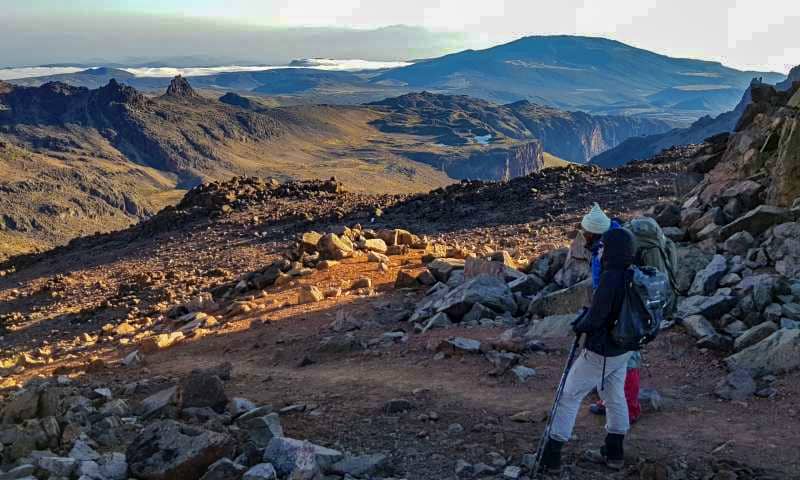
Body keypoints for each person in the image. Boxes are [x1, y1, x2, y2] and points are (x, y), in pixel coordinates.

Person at [539, 227, 637, 474]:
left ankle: (551, 455)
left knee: (569, 395)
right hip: (623, 347)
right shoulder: (631, 274)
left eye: (603, 247)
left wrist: (580, 324)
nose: (600, 251)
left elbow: (596, 318)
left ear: (612, 250)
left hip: (601, 351)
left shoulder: (611, 277)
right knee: (614, 394)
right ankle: (614, 451)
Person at [582, 204, 642, 424]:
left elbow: (608, 281)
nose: (584, 236)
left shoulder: (610, 247)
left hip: (621, 307)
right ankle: (611, 401)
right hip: (618, 304)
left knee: (627, 355)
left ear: (594, 231)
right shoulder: (614, 239)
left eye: (586, 232)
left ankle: (631, 408)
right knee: (613, 355)